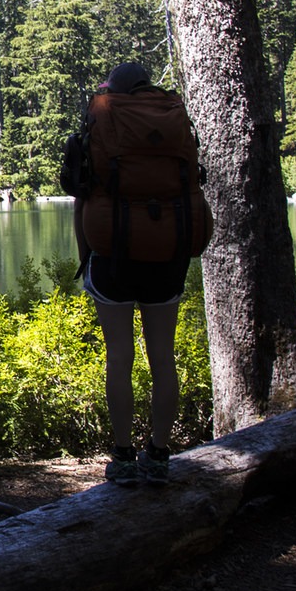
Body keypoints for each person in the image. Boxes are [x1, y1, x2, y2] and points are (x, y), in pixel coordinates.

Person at [75, 62, 192, 486]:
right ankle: (159, 455)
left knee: (119, 357)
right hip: (167, 252)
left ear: (114, 90)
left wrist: (85, 256)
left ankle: (123, 456)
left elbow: (81, 198)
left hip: (113, 254)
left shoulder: (102, 120)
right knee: (163, 356)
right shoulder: (172, 116)